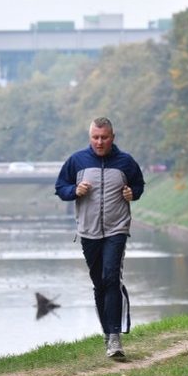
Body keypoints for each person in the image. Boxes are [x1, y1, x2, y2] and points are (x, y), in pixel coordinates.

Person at [55, 117, 145, 359]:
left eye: (104, 137)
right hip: (88, 231)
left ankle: (115, 339)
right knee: (99, 283)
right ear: (90, 137)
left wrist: (131, 192)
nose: (100, 142)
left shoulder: (125, 162)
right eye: (95, 137)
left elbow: (138, 185)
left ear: (112, 137)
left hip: (117, 228)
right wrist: (74, 191)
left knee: (111, 277)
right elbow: (60, 187)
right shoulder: (77, 161)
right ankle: (107, 333)